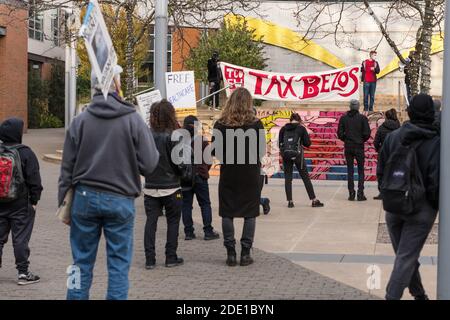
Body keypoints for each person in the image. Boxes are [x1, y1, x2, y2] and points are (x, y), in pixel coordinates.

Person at [59, 74, 159, 300]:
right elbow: (151, 163)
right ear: (117, 85)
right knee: (118, 267)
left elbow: (67, 168)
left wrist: (63, 204)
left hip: (84, 198)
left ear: (93, 87)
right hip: (120, 198)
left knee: (79, 263)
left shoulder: (80, 120)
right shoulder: (132, 119)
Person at [377, 94, 440, 300]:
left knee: (404, 257)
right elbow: (435, 180)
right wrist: (433, 206)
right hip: (420, 210)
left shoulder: (394, 136)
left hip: (393, 204)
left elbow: (381, 170)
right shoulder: (436, 141)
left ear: (410, 112)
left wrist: (389, 192)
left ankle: (420, 295)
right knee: (406, 258)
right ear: (432, 114)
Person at [212, 87, 266, 267]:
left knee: (227, 211)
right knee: (250, 212)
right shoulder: (256, 124)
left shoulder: (220, 124)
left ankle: (230, 253)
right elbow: (261, 150)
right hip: (250, 173)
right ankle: (245, 252)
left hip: (229, 172)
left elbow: (215, 151)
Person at [143, 100, 187, 270]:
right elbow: (180, 163)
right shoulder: (174, 136)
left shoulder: (146, 135)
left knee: (150, 222)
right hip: (171, 186)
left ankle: (150, 259)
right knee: (173, 222)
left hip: (151, 186)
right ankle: (170, 257)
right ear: (171, 115)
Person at [0, 118, 43, 285]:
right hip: (20, 204)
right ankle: (23, 273)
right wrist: (34, 200)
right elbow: (34, 179)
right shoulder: (26, 153)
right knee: (20, 238)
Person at [181, 115, 220, 241]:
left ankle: (188, 232)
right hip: (200, 176)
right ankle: (208, 231)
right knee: (205, 204)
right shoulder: (201, 141)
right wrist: (203, 171)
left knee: (186, 205)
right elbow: (208, 161)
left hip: (185, 178)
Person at [279, 113, 324, 208]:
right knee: (305, 177)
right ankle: (313, 200)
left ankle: (290, 202)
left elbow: (280, 144)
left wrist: (284, 153)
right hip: (298, 155)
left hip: (286, 155)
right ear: (299, 120)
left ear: (290, 120)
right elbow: (308, 143)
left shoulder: (283, 129)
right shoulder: (301, 128)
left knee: (288, 178)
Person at [338, 99, 371, 201]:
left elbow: (339, 133)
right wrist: (361, 140)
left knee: (350, 170)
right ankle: (360, 193)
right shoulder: (363, 118)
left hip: (348, 146)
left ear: (350, 106)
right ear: (358, 107)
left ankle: (351, 193)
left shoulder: (343, 118)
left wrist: (346, 139)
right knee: (361, 171)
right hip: (359, 146)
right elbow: (367, 133)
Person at [373, 109, 400, 200]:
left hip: (383, 153)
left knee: (381, 173)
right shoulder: (399, 128)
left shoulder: (381, 128)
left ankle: (382, 193)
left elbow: (376, 142)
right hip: (396, 153)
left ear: (387, 117)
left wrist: (378, 150)